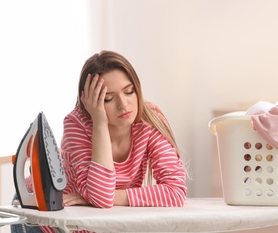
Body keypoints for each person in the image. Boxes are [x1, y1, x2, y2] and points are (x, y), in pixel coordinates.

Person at [12, 50, 187, 232]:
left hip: (93, 223)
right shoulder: (76, 124)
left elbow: (175, 191)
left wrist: (108, 197)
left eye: (129, 92)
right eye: (108, 99)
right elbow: (101, 197)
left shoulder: (149, 120)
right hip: (40, 212)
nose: (123, 104)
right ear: (89, 101)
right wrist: (100, 123)